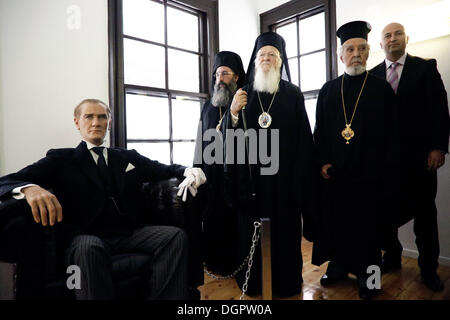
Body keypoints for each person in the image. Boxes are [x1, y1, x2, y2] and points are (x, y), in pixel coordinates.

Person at [0, 98, 206, 300]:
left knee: (174, 237)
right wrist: (29, 188)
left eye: (102, 117)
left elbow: (163, 169)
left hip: (129, 233)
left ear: (109, 121)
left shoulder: (127, 157)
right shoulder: (61, 158)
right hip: (84, 236)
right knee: (89, 248)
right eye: (89, 117)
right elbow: (8, 180)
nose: (96, 122)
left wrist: (189, 170)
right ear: (77, 122)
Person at [221, 32, 316, 297]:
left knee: (285, 235)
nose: (266, 59)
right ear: (255, 62)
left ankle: (286, 285)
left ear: (280, 61)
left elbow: (303, 139)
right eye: (262, 55)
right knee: (250, 234)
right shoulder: (242, 95)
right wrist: (233, 114)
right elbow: (232, 144)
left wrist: (300, 181)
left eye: (271, 55)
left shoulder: (293, 94)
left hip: (284, 182)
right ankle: (252, 283)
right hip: (251, 182)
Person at [311, 21, 399, 299]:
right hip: (336, 175)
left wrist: (383, 169)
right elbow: (320, 131)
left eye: (361, 48)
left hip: (369, 176)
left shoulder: (381, 89)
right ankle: (338, 268)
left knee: (369, 230)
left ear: (369, 51)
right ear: (341, 55)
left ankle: (370, 279)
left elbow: (392, 132)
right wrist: (322, 162)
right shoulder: (328, 90)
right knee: (338, 224)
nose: (356, 54)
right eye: (350, 49)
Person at [371, 22, 449, 292]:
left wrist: (438, 147)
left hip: (420, 160)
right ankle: (391, 257)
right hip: (384, 162)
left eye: (398, 34)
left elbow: (440, 109)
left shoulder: (425, 68)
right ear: (380, 44)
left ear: (407, 39)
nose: (393, 39)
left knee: (425, 217)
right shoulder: (371, 76)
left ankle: (429, 270)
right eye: (387, 36)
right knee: (385, 214)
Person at [194, 51, 245, 275]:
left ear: (236, 77)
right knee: (214, 219)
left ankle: (238, 265)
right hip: (212, 175)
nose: (219, 79)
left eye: (225, 74)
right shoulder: (208, 106)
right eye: (216, 75)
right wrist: (195, 167)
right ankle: (215, 263)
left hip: (237, 176)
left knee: (235, 222)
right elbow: (201, 138)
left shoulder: (247, 101)